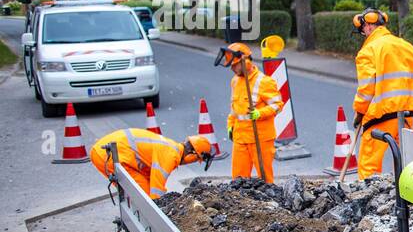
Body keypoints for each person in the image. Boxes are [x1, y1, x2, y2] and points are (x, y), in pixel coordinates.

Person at [352, 8, 413, 179]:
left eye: (363, 31)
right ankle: (404, 200)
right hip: (406, 116)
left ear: (369, 26)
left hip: (380, 116)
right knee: (405, 164)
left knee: (368, 166)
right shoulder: (407, 46)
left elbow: (366, 89)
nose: (364, 35)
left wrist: (360, 112)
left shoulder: (368, 50)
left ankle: (366, 200)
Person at [221, 42, 282, 182]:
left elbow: (277, 105)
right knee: (238, 180)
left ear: (245, 61)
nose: (232, 69)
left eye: (234, 65)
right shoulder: (235, 81)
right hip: (240, 137)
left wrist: (260, 113)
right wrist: (230, 125)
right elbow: (234, 108)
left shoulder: (264, 82)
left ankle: (268, 201)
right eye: (231, 66)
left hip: (260, 138)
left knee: (265, 178)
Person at [91, 130, 213, 200]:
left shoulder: (170, 147)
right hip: (109, 155)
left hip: (107, 152)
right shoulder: (171, 155)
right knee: (143, 198)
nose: (192, 162)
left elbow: (150, 177)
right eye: (196, 159)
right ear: (192, 154)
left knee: (137, 196)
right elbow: (156, 189)